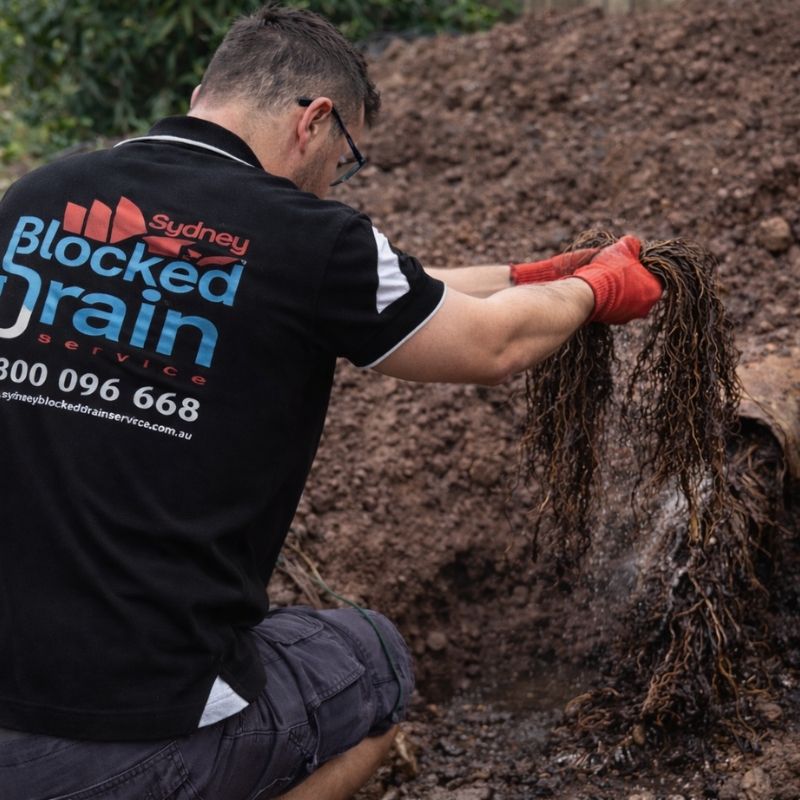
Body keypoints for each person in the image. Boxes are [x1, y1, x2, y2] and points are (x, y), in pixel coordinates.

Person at [0, 4, 661, 799]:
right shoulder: (304, 238)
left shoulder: (36, 198)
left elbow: (371, 295)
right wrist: (594, 291)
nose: (333, 181)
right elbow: (494, 347)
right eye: (344, 157)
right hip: (128, 734)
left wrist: (525, 278)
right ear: (315, 121)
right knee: (373, 659)